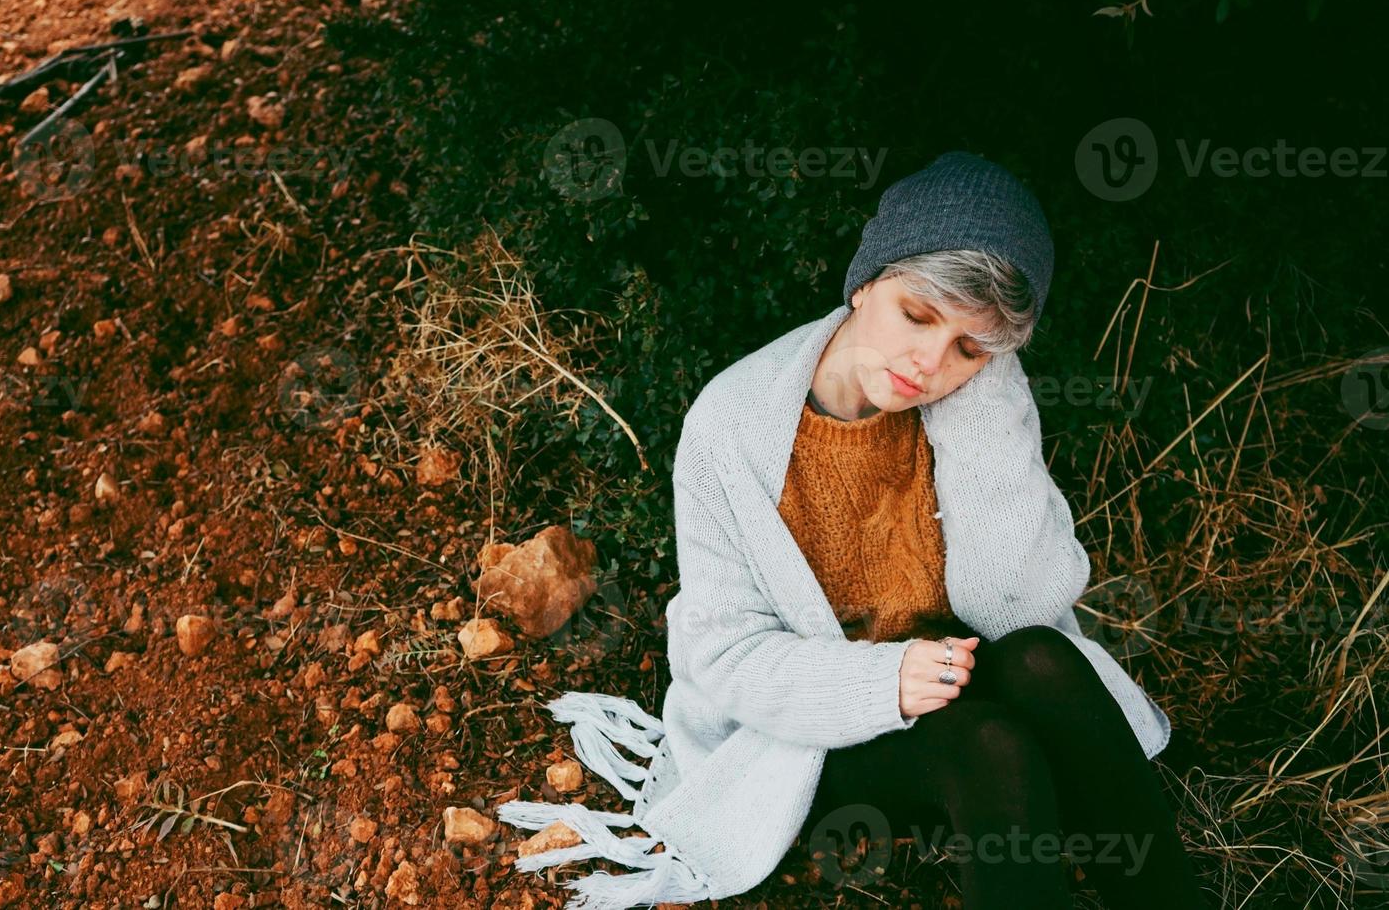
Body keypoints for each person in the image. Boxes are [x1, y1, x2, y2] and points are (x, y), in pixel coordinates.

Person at [496, 151, 1211, 910]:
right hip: (820, 729)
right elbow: (719, 654)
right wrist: (882, 684)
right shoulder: (730, 427)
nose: (928, 363)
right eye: (917, 315)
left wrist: (982, 398)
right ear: (866, 281)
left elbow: (1020, 605)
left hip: (960, 675)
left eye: (971, 347)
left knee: (1043, 658)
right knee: (992, 748)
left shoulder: (976, 397)